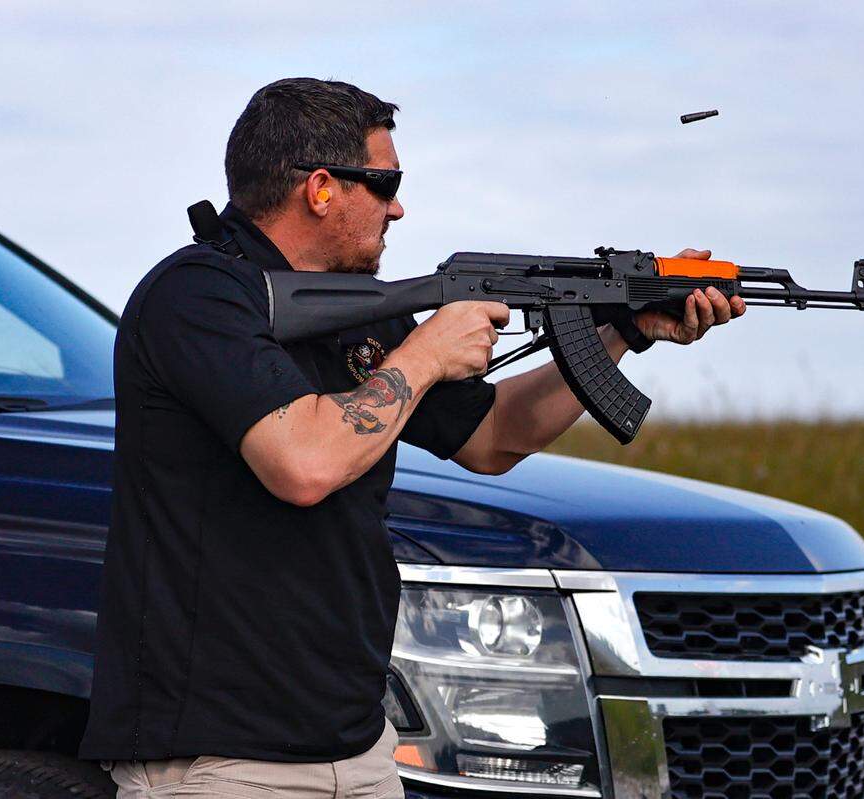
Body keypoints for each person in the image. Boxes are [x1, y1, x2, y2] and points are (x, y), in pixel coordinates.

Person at [78, 77, 745, 798]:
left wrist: (622, 331)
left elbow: (494, 435)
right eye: (385, 182)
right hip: (223, 764)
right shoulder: (196, 296)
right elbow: (302, 462)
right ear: (322, 188)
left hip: (358, 748)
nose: (398, 206)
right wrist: (425, 353)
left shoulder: (356, 308)